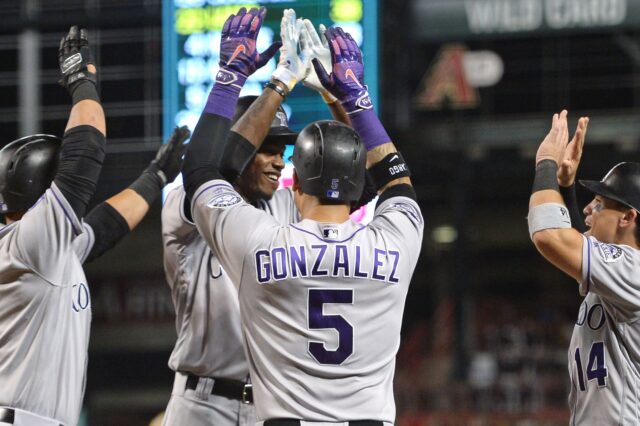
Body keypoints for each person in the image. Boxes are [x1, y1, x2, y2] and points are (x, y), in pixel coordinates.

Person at [182, 10, 423, 423]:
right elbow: (394, 179)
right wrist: (352, 97)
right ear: (357, 188)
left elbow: (201, 170)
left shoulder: (259, 242)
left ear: (296, 185)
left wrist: (231, 75)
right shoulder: (396, 241)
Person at [160, 8, 356, 426]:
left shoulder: (285, 205)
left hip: (275, 407)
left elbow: (359, 181)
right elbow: (218, 168)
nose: (278, 162)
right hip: (203, 402)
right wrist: (278, 83)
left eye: (283, 151)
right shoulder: (187, 203)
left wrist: (336, 97)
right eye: (266, 148)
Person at [0, 26, 189, 426]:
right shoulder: (31, 243)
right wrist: (80, 80)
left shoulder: (43, 248)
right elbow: (85, 152)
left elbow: (103, 226)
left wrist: (155, 176)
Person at [528, 110, 640, 425]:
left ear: (628, 217)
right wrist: (565, 187)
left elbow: (551, 236)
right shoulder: (621, 273)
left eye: (601, 203)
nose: (589, 207)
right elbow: (576, 246)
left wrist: (546, 163)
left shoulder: (633, 269)